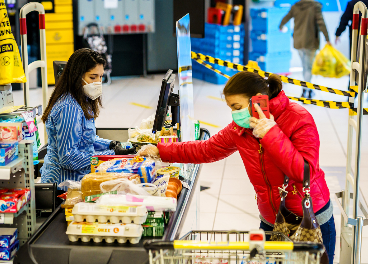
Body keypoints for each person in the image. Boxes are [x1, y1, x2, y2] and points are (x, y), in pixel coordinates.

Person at [140, 71, 336, 263]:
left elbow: (304, 172)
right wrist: (161, 151)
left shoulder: (297, 118)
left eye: (236, 106)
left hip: (310, 220)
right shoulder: (241, 127)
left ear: (258, 101)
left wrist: (271, 134)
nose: (234, 114)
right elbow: (207, 149)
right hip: (272, 220)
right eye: (231, 108)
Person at [41, 48, 134, 186]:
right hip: (65, 185)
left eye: (101, 77)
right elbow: (68, 158)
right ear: (77, 76)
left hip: (79, 178)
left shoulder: (81, 99)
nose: (98, 82)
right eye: (93, 77)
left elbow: (84, 138)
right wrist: (108, 155)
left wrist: (111, 145)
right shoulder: (68, 108)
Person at [279, 0, 331, 99]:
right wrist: (327, 39)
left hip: (298, 41)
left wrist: (281, 26)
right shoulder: (315, 6)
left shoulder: (296, 6)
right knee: (308, 67)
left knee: (305, 66)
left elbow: (286, 18)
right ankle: (306, 89)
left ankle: (307, 88)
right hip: (310, 41)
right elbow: (321, 22)